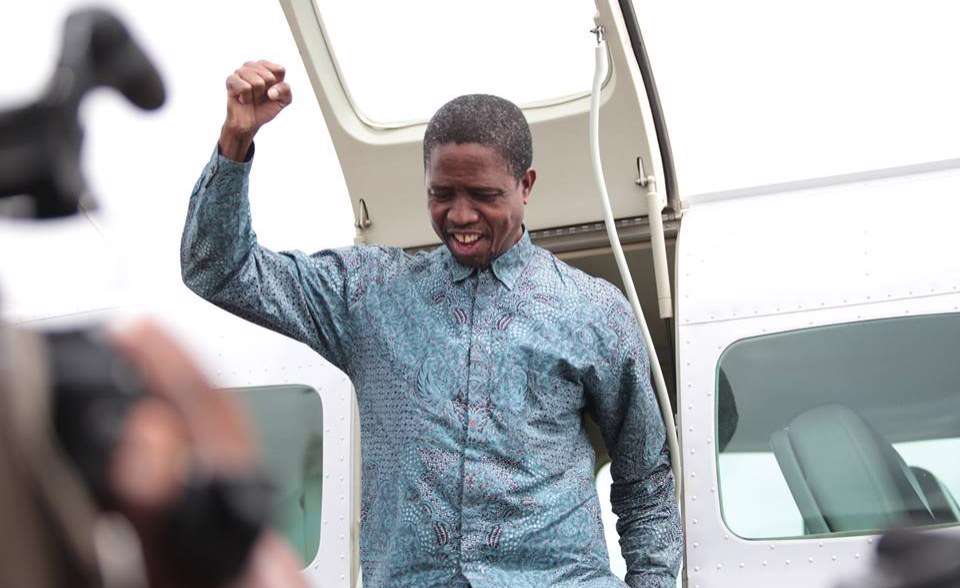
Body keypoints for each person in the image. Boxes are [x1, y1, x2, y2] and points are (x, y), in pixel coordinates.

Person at [181, 59, 681, 587]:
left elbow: (645, 478)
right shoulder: (367, 295)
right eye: (442, 194)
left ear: (526, 185)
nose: (460, 215)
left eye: (484, 195)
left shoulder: (593, 311)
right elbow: (219, 270)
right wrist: (236, 142)